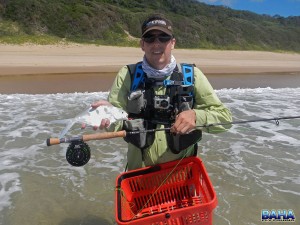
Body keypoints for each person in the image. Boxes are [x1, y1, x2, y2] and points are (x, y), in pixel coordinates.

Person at [92, 14, 232, 170]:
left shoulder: (192, 75)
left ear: (172, 43)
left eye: (163, 37)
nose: (156, 44)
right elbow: (115, 126)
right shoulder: (127, 75)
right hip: (138, 178)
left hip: (183, 178)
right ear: (142, 44)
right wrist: (106, 115)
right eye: (150, 38)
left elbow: (225, 119)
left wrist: (196, 116)